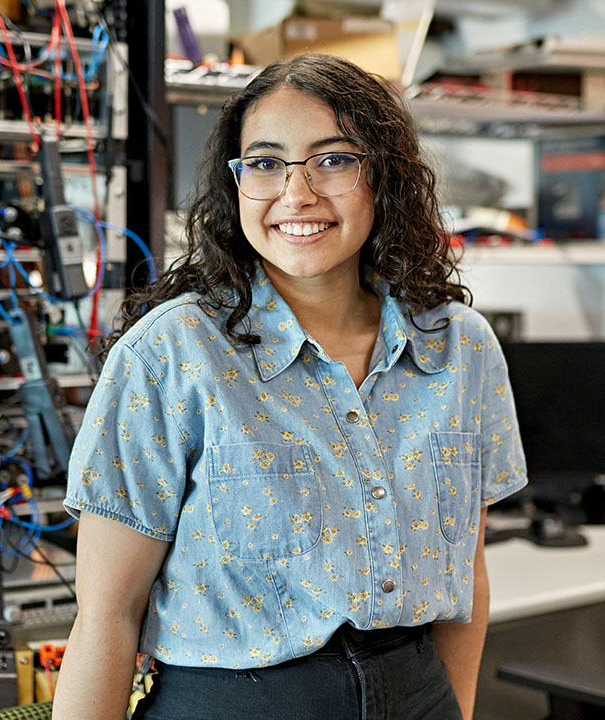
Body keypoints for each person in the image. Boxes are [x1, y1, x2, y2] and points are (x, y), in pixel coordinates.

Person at [53, 53, 527, 720]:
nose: (296, 194)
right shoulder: (173, 352)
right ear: (236, 184)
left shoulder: (459, 348)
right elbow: (107, 616)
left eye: (333, 160)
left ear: (381, 176)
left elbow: (466, 580)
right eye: (266, 163)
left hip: (418, 695)